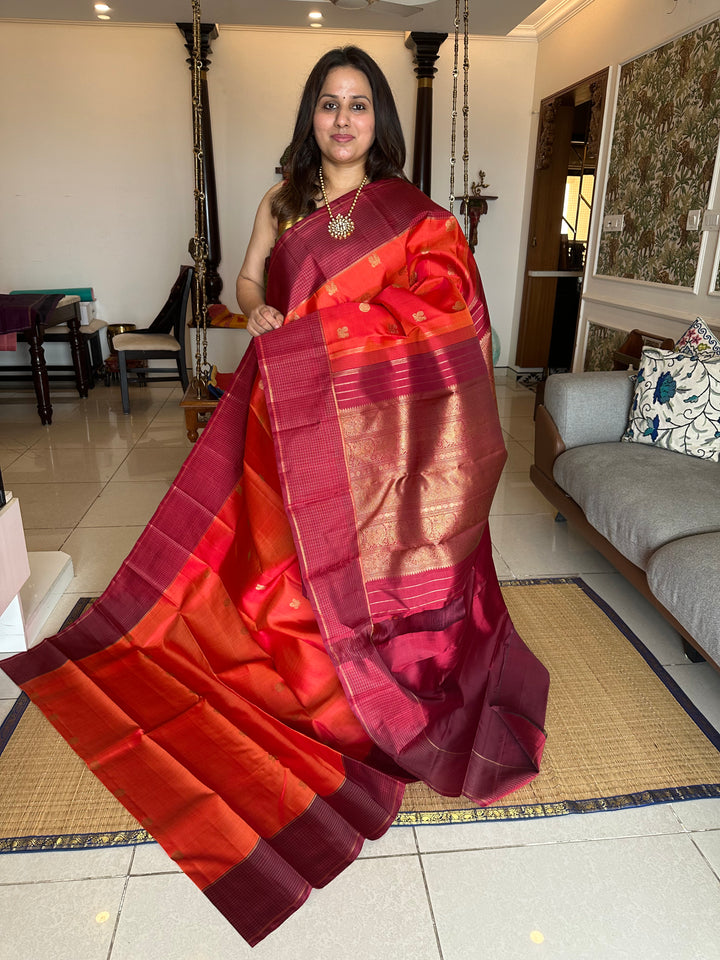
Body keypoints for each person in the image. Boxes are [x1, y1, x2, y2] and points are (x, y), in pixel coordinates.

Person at [2, 47, 549, 948]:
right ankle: (302, 662)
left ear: (380, 121)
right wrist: (259, 308)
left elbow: (447, 307)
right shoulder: (283, 201)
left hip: (372, 426)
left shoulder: (412, 217)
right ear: (311, 116)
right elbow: (247, 280)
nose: (343, 119)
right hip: (287, 407)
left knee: (367, 550)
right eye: (329, 104)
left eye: (359, 105)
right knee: (283, 552)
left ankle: (357, 663)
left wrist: (340, 327)